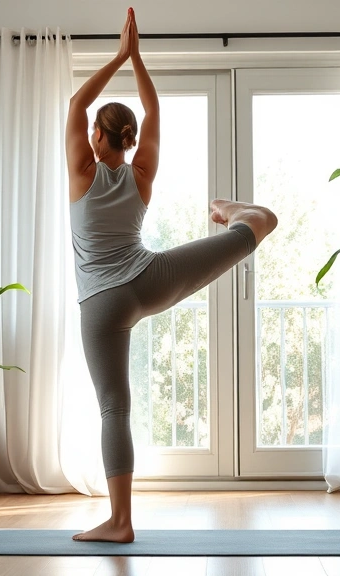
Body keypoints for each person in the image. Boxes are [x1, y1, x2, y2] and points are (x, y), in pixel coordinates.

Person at [65, 7, 278, 543]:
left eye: (93, 129)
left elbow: (76, 102)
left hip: (101, 304)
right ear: (130, 139)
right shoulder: (142, 172)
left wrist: (118, 55)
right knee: (246, 234)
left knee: (114, 408)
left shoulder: (81, 170)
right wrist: (139, 60)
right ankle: (245, 219)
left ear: (96, 136)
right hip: (148, 281)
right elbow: (153, 105)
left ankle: (119, 522)